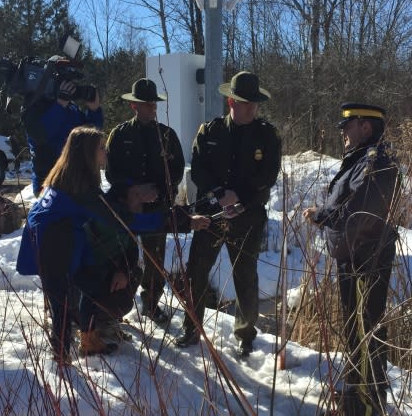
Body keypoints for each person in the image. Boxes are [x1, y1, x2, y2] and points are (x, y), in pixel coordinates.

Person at [16, 127, 209, 364]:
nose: (105, 151)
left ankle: (83, 339)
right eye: (101, 147)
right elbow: (124, 221)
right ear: (87, 153)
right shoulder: (83, 192)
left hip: (51, 241)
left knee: (69, 294)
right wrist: (184, 222)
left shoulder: (64, 180)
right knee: (62, 305)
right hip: (55, 245)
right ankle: (62, 361)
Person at [174, 71, 281, 357]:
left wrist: (242, 199)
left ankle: (246, 334)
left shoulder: (267, 135)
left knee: (246, 276)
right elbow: (198, 170)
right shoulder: (209, 132)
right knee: (196, 270)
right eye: (246, 103)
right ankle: (191, 327)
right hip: (211, 214)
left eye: (255, 103)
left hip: (248, 217)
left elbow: (268, 175)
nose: (252, 108)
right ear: (231, 101)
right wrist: (221, 194)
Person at [302, 103, 400, 415]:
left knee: (368, 335)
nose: (343, 134)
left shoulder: (377, 163)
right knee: (354, 332)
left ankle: (370, 408)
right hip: (352, 258)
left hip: (367, 260)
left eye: (347, 127)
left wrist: (321, 215)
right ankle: (354, 402)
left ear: (366, 127)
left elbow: (359, 213)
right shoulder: (359, 160)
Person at [105, 78, 185, 325]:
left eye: (154, 103)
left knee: (155, 259)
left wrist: (159, 191)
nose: (153, 108)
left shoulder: (167, 136)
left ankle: (151, 303)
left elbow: (177, 170)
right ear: (134, 106)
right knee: (121, 259)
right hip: (126, 209)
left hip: (155, 207)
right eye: (147, 104)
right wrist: (133, 190)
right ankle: (115, 306)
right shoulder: (119, 135)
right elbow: (111, 172)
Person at [21, 79, 102, 196]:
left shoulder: (71, 108)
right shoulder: (35, 108)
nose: (71, 88)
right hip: (50, 184)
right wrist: (60, 105)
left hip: (77, 183)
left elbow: (91, 138)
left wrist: (94, 111)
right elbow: (42, 136)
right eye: (66, 85)